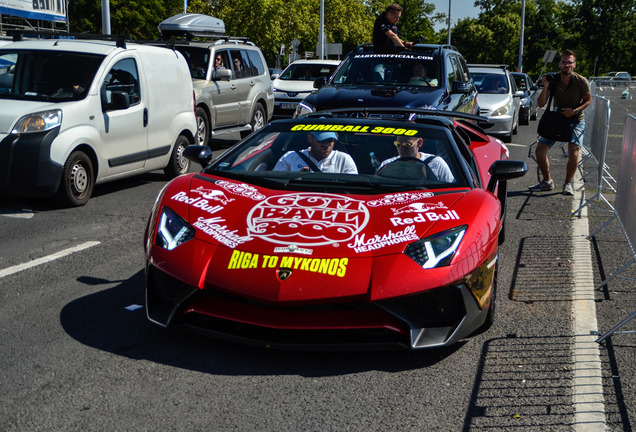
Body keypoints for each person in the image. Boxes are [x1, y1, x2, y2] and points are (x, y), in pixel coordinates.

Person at [529, 49, 591, 196]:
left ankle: (567, 183)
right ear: (559, 64)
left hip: (575, 119)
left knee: (574, 151)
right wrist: (545, 86)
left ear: (574, 65)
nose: (566, 65)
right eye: (564, 62)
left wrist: (575, 111)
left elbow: (588, 100)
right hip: (557, 118)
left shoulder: (581, 81)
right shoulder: (553, 79)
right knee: (540, 151)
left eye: (569, 62)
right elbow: (540, 103)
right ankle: (547, 181)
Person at [377, 135, 454, 182]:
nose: (401, 150)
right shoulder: (386, 165)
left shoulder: (436, 163)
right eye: (398, 144)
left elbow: (452, 191)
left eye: (407, 145)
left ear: (420, 143)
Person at [273, 132, 358, 174]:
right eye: (322, 140)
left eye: (330, 140)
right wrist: (296, 178)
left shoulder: (344, 159)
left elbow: (353, 189)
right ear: (310, 138)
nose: (326, 144)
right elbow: (274, 184)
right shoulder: (289, 158)